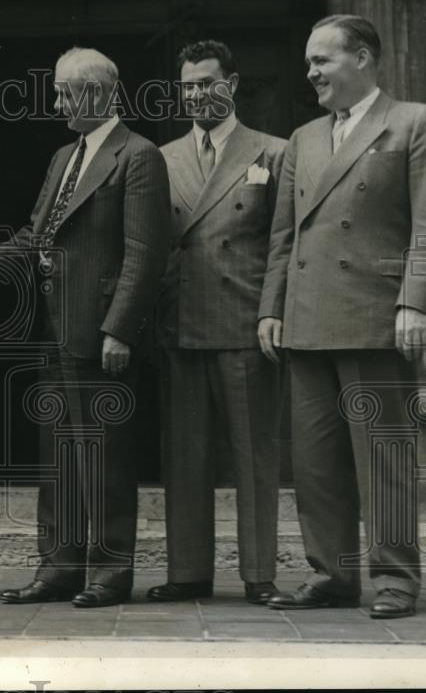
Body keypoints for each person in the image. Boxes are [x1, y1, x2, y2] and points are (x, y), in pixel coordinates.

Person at [258, 15, 426, 619]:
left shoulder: (414, 121)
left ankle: (396, 577)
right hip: (306, 318)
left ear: (364, 58)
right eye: (308, 63)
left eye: (322, 60)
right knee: (316, 464)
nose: (311, 72)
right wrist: (271, 309)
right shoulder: (302, 138)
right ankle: (331, 574)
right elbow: (283, 237)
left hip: (378, 316)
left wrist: (414, 301)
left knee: (384, 459)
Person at [0, 47, 171, 608]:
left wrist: (119, 329)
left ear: (97, 91)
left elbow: (144, 252)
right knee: (58, 458)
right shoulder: (62, 157)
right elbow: (35, 234)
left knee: (105, 456)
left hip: (100, 334)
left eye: (64, 91)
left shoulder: (138, 155)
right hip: (53, 330)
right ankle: (60, 567)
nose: (56, 102)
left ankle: (109, 571)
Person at [148, 40, 286, 606]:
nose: (199, 94)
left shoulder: (273, 152)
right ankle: (187, 573)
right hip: (181, 323)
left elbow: (283, 242)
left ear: (231, 83)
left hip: (244, 321)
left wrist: (272, 310)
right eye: (189, 86)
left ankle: (259, 575)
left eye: (209, 82)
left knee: (255, 455)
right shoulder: (161, 157)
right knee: (184, 455)